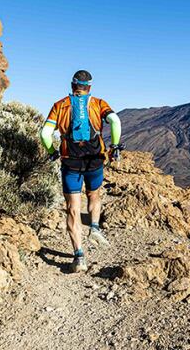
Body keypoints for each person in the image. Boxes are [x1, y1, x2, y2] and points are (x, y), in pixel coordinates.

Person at [39, 70, 122, 272]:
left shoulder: (60, 106)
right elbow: (115, 121)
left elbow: (45, 133)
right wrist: (115, 146)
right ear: (90, 87)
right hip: (94, 160)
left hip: (70, 162)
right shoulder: (99, 103)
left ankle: (79, 256)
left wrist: (51, 151)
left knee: (72, 208)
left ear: (72, 85)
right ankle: (94, 228)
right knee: (94, 194)